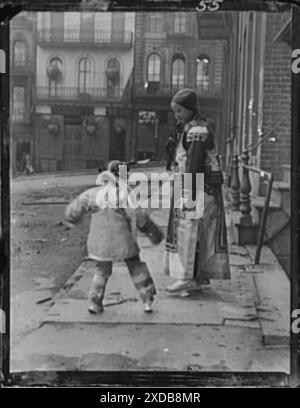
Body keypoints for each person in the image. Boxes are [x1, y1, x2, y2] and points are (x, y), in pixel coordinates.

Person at [64, 160, 162, 314]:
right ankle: (147, 300)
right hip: (123, 239)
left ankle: (94, 302)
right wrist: (153, 233)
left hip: (99, 241)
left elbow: (74, 210)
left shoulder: (92, 193)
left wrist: (71, 218)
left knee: (101, 270)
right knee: (136, 266)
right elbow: (140, 217)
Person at [164, 88, 230, 295]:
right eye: (175, 112)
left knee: (188, 232)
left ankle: (186, 278)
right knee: (200, 234)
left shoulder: (196, 132)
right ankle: (196, 278)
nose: (177, 116)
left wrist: (188, 194)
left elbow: (193, 165)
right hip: (205, 189)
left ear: (190, 109)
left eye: (179, 111)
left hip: (198, 188)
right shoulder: (195, 128)